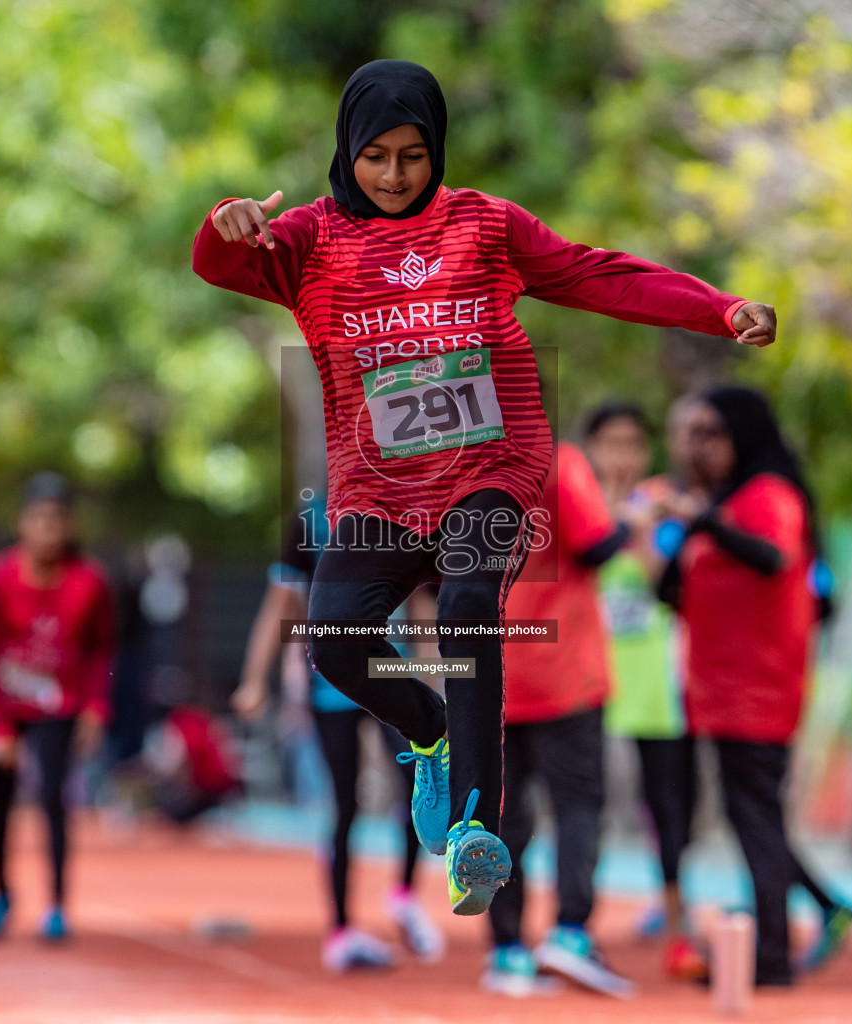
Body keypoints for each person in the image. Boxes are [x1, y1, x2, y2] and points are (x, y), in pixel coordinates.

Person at [193, 58, 775, 919]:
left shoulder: (485, 226)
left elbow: (601, 273)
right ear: (347, 151)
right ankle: (426, 729)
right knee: (337, 641)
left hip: (490, 472)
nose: (395, 176)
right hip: (378, 490)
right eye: (376, 157)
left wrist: (719, 308)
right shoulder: (310, 242)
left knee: (470, 602)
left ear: (438, 152)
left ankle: (475, 830)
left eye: (414, 156)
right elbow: (216, 265)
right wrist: (225, 223)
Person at [653, 386, 847, 988]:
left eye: (714, 433)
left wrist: (704, 519)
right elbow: (666, 593)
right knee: (750, 821)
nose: (702, 446)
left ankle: (769, 955)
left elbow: (771, 557)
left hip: (759, 691)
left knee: (757, 820)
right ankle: (779, 939)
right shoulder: (719, 501)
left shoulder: (770, 497)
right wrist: (691, 523)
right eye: (697, 435)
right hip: (718, 692)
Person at [235, 492, 446, 972]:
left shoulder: (406, 508)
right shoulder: (310, 518)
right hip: (330, 688)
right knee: (344, 803)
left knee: (420, 780)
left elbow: (419, 607)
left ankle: (406, 895)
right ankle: (341, 927)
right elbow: (281, 605)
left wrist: (434, 679)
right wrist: (253, 679)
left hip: (393, 677)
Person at [481, 441, 634, 998]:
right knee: (577, 806)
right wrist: (628, 518)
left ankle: (506, 950)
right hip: (561, 670)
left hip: (489, 669)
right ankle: (570, 933)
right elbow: (596, 546)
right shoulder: (556, 461)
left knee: (500, 815)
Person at [580, 402, 703, 980]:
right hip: (590, 676)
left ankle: (679, 927)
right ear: (591, 450)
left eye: (632, 444)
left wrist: (647, 526)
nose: (622, 457)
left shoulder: (657, 510)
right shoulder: (575, 509)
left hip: (654, 680)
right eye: (611, 444)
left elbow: (662, 582)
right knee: (584, 803)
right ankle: (575, 926)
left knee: (667, 802)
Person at [0, 473, 114, 943]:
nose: (48, 529)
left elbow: (101, 650)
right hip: (7, 703)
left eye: (57, 520)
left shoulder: (90, 582)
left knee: (54, 797)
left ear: (70, 525)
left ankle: (56, 903)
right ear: (23, 522)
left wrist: (96, 707)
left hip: (61, 702)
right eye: (39, 519)